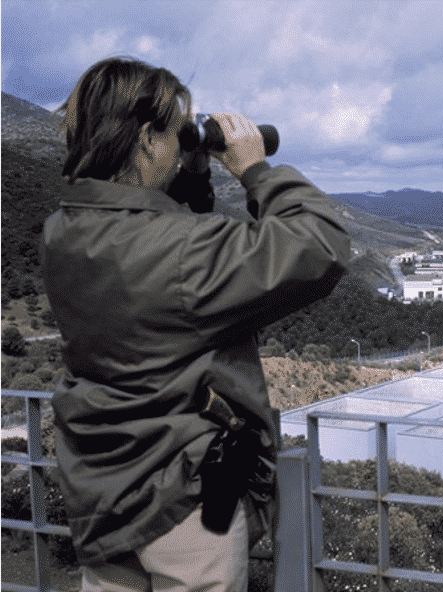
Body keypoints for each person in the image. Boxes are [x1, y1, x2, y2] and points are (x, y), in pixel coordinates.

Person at [43, 56, 350, 592]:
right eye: (175, 132)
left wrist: (189, 181)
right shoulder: (181, 254)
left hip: (99, 489)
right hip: (183, 495)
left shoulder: (62, 232)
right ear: (146, 139)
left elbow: (155, 246)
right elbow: (321, 245)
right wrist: (255, 169)